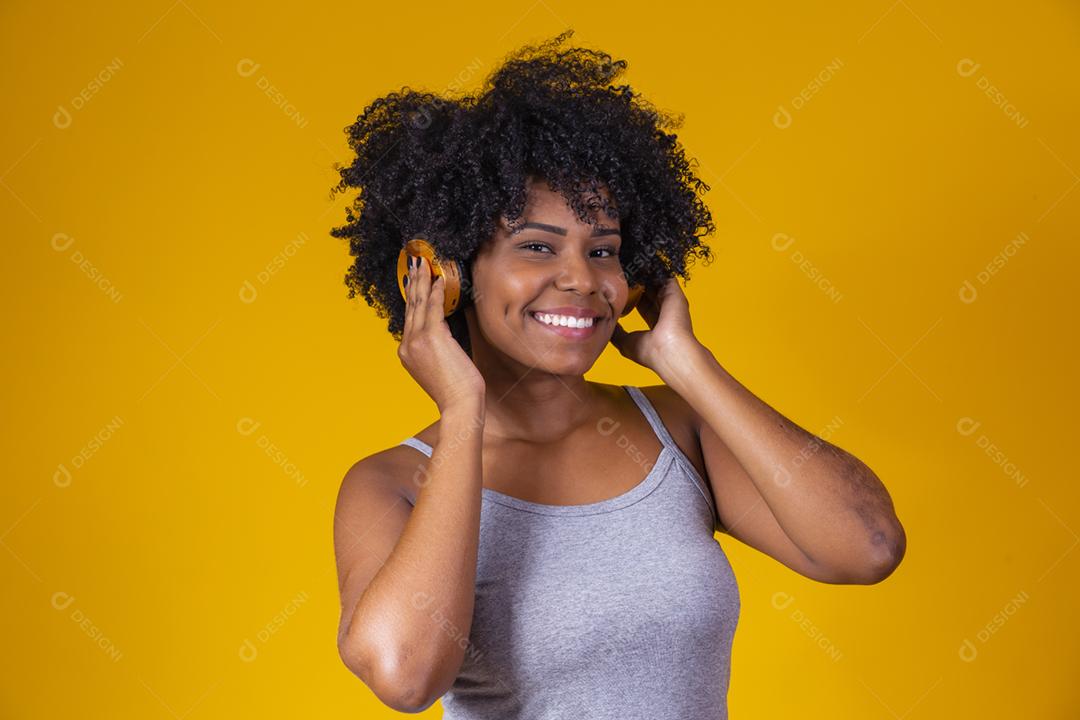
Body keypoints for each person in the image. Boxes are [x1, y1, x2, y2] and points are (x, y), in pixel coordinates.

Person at [330, 30, 905, 718]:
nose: (580, 278)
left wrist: (686, 364)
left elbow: (867, 547)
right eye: (537, 246)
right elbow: (404, 675)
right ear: (444, 275)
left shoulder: (677, 432)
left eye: (603, 251)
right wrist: (462, 411)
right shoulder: (393, 483)